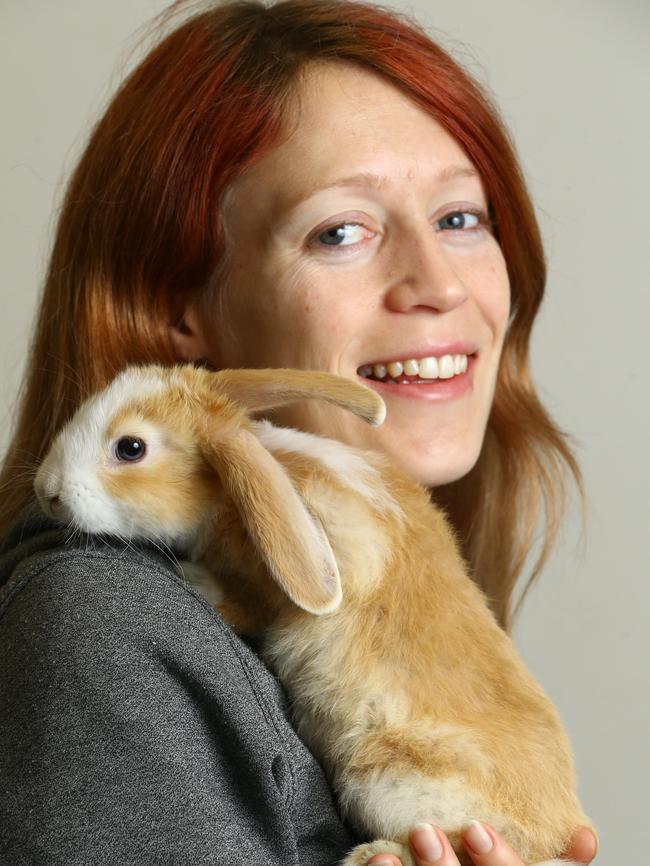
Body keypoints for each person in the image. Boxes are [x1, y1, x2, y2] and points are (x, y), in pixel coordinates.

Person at [0, 0, 598, 863]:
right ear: (179, 312)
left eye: (461, 218)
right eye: (340, 232)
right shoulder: (103, 627)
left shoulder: (380, 602)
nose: (437, 284)